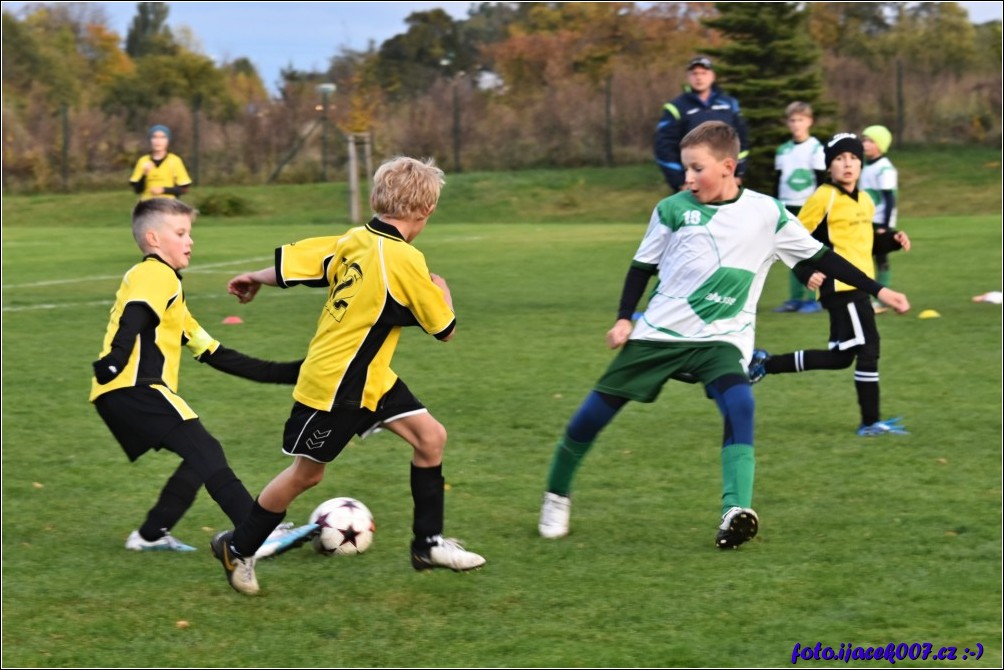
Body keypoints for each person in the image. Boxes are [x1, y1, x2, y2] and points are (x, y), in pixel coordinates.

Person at [538, 121, 910, 550]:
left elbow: (824, 256)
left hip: (721, 340)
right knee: (590, 417)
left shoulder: (767, 213)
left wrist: (880, 289)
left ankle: (735, 510)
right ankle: (556, 496)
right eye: (685, 169)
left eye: (697, 168)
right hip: (660, 334)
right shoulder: (672, 210)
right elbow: (642, 267)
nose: (687, 178)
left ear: (728, 167)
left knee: (740, 403)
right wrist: (625, 318)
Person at [212, 156, 486, 595]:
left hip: (371, 379)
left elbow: (299, 265)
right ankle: (238, 547)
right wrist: (444, 290)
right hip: (337, 386)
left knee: (430, 438)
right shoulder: (404, 259)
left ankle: (428, 544)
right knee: (307, 475)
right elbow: (445, 328)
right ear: (427, 209)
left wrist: (255, 278)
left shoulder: (355, 239)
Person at [90, 198, 317, 558]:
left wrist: (296, 372)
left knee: (200, 457)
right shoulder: (155, 273)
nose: (190, 241)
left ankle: (150, 535)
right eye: (180, 233)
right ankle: (256, 533)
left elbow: (219, 355)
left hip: (122, 392)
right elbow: (135, 315)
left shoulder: (172, 295)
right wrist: (115, 360)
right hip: (132, 385)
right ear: (153, 239)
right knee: (206, 450)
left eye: (190, 233)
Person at [748, 132, 912, 437]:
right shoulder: (824, 196)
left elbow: (863, 245)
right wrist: (804, 271)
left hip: (860, 284)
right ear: (829, 167)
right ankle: (870, 423)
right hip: (841, 288)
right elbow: (788, 239)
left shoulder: (863, 199)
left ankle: (765, 364)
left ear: (861, 165)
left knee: (840, 358)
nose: (847, 164)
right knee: (869, 349)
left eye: (853, 158)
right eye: (839, 159)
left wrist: (890, 240)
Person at [654, 56, 750, 193]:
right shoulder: (675, 107)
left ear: (713, 76)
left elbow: (742, 140)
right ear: (688, 77)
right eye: (694, 74)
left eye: (704, 73)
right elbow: (664, 147)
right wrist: (680, 181)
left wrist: (738, 172)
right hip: (691, 184)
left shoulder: (729, 104)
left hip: (726, 180)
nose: (699, 78)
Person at [771, 101, 827, 314]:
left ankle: (815, 298)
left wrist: (821, 208)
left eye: (801, 120)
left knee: (811, 252)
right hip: (788, 208)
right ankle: (795, 298)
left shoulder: (815, 148)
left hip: (809, 208)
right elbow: (777, 180)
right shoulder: (783, 150)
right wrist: (776, 207)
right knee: (791, 253)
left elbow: (821, 180)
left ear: (809, 122)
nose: (796, 124)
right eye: (793, 120)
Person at [859, 125, 898, 313]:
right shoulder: (866, 166)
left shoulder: (885, 168)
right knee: (864, 258)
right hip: (865, 219)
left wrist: (884, 225)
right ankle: (868, 297)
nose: (865, 144)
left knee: (880, 259)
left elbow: (889, 198)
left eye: (870, 141)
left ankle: (882, 300)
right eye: (864, 139)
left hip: (880, 221)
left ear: (881, 146)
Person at [129, 124, 192, 201]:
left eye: (162, 137)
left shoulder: (175, 160)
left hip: (168, 205)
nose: (158, 141)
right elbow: (137, 190)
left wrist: (164, 190)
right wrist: (144, 175)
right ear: (150, 140)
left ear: (168, 140)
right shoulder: (143, 161)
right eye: (154, 137)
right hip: (147, 205)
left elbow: (184, 189)